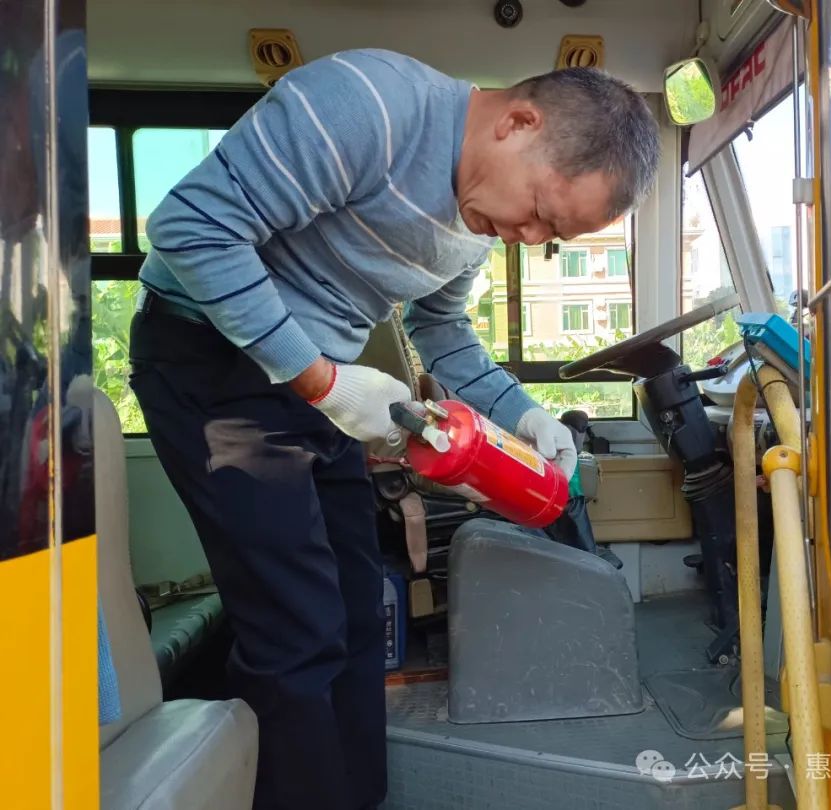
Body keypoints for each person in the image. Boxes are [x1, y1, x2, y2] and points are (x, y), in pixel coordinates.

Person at [128, 48, 660, 810]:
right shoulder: (369, 106)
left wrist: (525, 415)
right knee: (296, 628)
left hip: (316, 386)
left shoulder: (478, 217)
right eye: (541, 210)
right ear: (518, 123)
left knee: (355, 605)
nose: (525, 234)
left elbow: (442, 328)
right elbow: (191, 228)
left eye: (551, 237)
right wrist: (323, 379)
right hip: (209, 361)